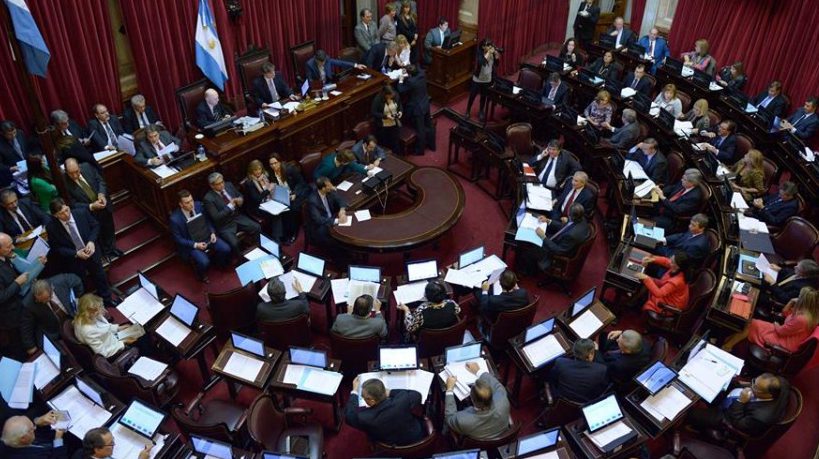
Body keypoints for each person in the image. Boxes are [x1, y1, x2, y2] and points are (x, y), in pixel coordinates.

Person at [46, 198, 115, 306]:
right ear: (55, 215)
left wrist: (91, 241)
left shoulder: (81, 213)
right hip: (74, 260)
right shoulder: (51, 228)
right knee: (82, 284)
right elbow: (56, 248)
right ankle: (90, 306)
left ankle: (107, 300)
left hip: (92, 252)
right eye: (61, 213)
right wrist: (75, 253)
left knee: (100, 277)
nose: (66, 214)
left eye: (66, 210)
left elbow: (95, 226)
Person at [685, 373, 790, 437]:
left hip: (728, 416)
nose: (751, 386)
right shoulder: (782, 383)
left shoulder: (761, 417)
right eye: (754, 382)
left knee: (690, 413)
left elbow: (738, 424)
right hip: (735, 398)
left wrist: (740, 401)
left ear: (769, 395)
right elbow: (756, 385)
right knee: (706, 389)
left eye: (756, 387)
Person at [724, 286, 818, 352]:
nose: (797, 298)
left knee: (751, 325)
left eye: (800, 296)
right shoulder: (806, 312)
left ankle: (727, 346)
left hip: (784, 341)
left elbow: (781, 331)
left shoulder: (802, 319)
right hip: (782, 332)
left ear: (804, 300)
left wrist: (776, 324)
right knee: (750, 323)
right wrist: (791, 301)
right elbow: (784, 313)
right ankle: (727, 343)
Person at [169, 189, 230, 283]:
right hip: (192, 244)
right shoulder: (175, 219)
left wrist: (212, 232)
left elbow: (208, 221)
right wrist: (195, 245)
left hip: (207, 236)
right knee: (204, 262)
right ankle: (201, 275)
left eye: (191, 200)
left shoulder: (199, 205)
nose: (191, 204)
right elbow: (178, 239)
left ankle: (218, 263)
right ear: (181, 204)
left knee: (226, 249)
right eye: (187, 202)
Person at [63, 158, 120, 260]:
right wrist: (91, 206)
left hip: (103, 205)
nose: (75, 176)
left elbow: (100, 181)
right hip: (89, 213)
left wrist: (101, 194)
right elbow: (72, 204)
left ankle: (112, 249)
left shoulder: (87, 167)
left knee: (109, 228)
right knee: (98, 234)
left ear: (79, 166)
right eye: (71, 173)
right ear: (66, 172)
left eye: (76, 171)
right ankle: (105, 254)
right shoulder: (64, 183)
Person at [346, 376, 424, 445]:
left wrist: (354, 391)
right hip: (415, 436)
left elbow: (349, 416)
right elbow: (417, 395)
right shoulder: (402, 400)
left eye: (364, 397)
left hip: (390, 444)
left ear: (372, 401)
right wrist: (390, 392)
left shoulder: (365, 417)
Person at [445, 362, 511, 439]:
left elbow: (450, 417)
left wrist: (449, 389)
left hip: (478, 441)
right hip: (501, 436)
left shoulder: (463, 421)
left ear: (472, 400)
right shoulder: (503, 401)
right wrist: (478, 371)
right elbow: (498, 386)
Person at [21, 276, 83, 356]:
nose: (45, 302)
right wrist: (30, 346)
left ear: (52, 288)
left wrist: (78, 298)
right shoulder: (28, 304)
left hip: (74, 317)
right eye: (42, 301)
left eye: (47, 298)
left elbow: (77, 280)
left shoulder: (60, 281)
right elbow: (26, 327)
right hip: (55, 330)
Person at [202, 172, 261, 256]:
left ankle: (258, 250)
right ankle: (241, 258)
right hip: (225, 225)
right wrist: (229, 207)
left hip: (237, 217)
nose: (222, 185)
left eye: (222, 182)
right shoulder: (208, 198)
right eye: (218, 184)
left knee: (257, 227)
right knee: (235, 243)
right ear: (212, 186)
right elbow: (216, 217)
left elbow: (239, 195)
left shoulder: (228, 185)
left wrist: (240, 199)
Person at [526, 203, 591, 273]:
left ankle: (528, 271)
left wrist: (543, 237)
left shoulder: (572, 235)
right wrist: (548, 220)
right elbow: (566, 227)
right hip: (560, 239)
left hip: (554, 252)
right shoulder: (581, 219)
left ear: (570, 215)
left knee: (528, 250)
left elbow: (559, 250)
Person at [0, 232, 31, 359]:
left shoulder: (6, 257)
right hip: (11, 316)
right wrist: (17, 283)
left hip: (20, 306)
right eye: (8, 246)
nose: (12, 248)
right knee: (20, 347)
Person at [73, 293, 133, 357]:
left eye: (102, 306)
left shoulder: (86, 316)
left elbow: (104, 327)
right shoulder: (89, 331)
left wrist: (119, 328)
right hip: (113, 348)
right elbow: (103, 353)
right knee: (138, 340)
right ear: (92, 313)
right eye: (101, 308)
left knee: (133, 328)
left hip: (110, 337)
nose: (105, 310)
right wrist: (123, 342)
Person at [549, 339, 609, 403]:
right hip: (587, 404)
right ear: (590, 355)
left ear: (574, 352)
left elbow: (552, 379)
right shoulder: (601, 370)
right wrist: (597, 352)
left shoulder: (560, 362)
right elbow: (603, 390)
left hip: (563, 403)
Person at [269, 153, 310, 244]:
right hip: (285, 195)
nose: (274, 166)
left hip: (299, 192)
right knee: (282, 210)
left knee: (292, 209)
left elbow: (301, 182)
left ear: (280, 162)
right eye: (271, 164)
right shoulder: (272, 174)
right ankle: (284, 234)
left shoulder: (290, 169)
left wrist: (295, 193)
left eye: (275, 163)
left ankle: (293, 232)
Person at [243, 159, 286, 241]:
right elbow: (257, 199)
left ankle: (282, 236)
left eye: (259, 169)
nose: (258, 172)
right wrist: (268, 190)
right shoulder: (249, 183)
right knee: (276, 214)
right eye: (255, 170)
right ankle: (277, 239)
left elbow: (272, 187)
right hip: (257, 207)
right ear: (251, 171)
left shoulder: (265, 176)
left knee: (283, 208)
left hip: (268, 202)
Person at [397, 65, 434, 155]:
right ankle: (432, 145)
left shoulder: (411, 82)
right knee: (429, 125)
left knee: (420, 129)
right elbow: (417, 69)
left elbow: (401, 90)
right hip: (425, 103)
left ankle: (420, 151)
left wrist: (401, 80)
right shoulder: (422, 74)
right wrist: (408, 69)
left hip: (418, 108)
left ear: (409, 74)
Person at [305, 176, 349, 249]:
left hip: (331, 217)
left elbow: (340, 199)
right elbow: (318, 220)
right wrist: (337, 221)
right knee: (335, 244)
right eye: (329, 186)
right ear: (323, 188)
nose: (331, 186)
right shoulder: (312, 201)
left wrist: (342, 210)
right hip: (320, 225)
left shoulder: (329, 191)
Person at [464, 38, 500, 121]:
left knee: (483, 96)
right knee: (472, 95)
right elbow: (482, 62)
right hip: (478, 79)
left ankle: (481, 111)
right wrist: (488, 53)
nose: (490, 47)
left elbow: (496, 64)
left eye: (491, 45)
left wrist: (496, 56)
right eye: (488, 46)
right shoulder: (479, 53)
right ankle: (468, 110)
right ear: (483, 47)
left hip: (487, 79)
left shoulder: (492, 53)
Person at [0, 415, 65, 458]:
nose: (35, 428)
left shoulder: (17, 437)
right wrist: (58, 439)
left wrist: (38, 420)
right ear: (23, 438)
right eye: (32, 428)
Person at [79, 426, 151, 459]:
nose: (114, 445)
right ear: (97, 449)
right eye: (111, 443)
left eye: (113, 440)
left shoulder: (81, 452)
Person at [371, 86, 402, 154]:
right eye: (390, 95)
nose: (392, 96)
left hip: (395, 124)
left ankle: (397, 156)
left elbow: (399, 105)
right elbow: (374, 112)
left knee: (395, 142)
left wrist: (400, 112)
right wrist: (386, 116)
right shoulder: (377, 100)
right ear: (385, 94)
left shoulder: (395, 95)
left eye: (393, 95)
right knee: (386, 144)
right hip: (383, 127)